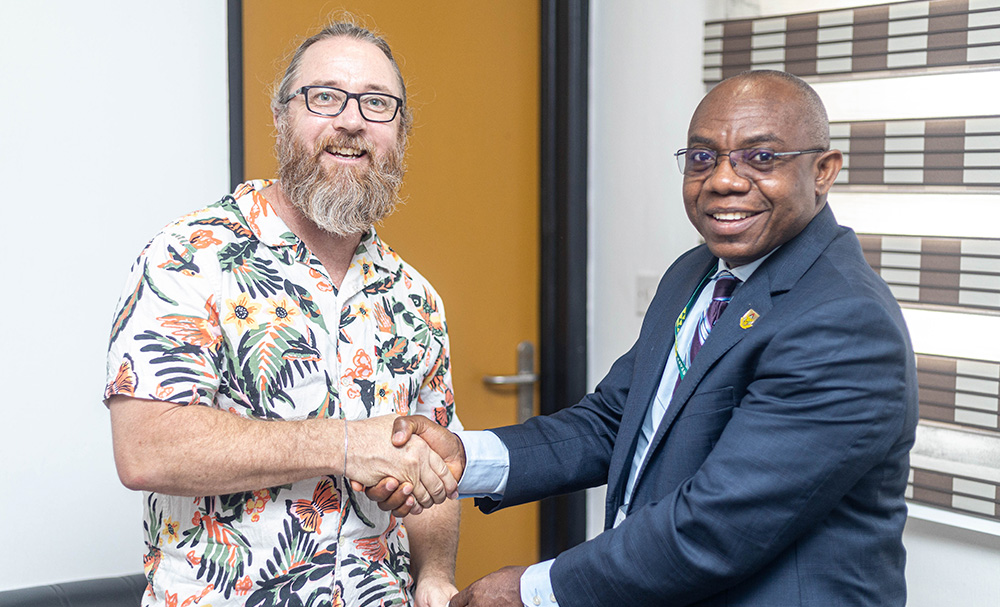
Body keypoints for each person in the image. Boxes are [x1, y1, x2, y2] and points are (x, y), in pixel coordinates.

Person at [372, 70, 919, 606]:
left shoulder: (844, 322)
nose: (725, 179)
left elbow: (717, 526)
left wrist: (533, 590)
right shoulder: (698, 273)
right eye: (703, 157)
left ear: (823, 171)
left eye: (762, 157)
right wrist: (464, 457)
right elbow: (613, 422)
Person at [105, 21, 463, 607]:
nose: (351, 121)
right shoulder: (189, 257)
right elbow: (147, 449)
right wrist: (345, 445)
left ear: (400, 132)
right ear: (280, 118)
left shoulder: (416, 297)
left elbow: (436, 468)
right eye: (324, 97)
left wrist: (434, 575)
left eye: (377, 104)